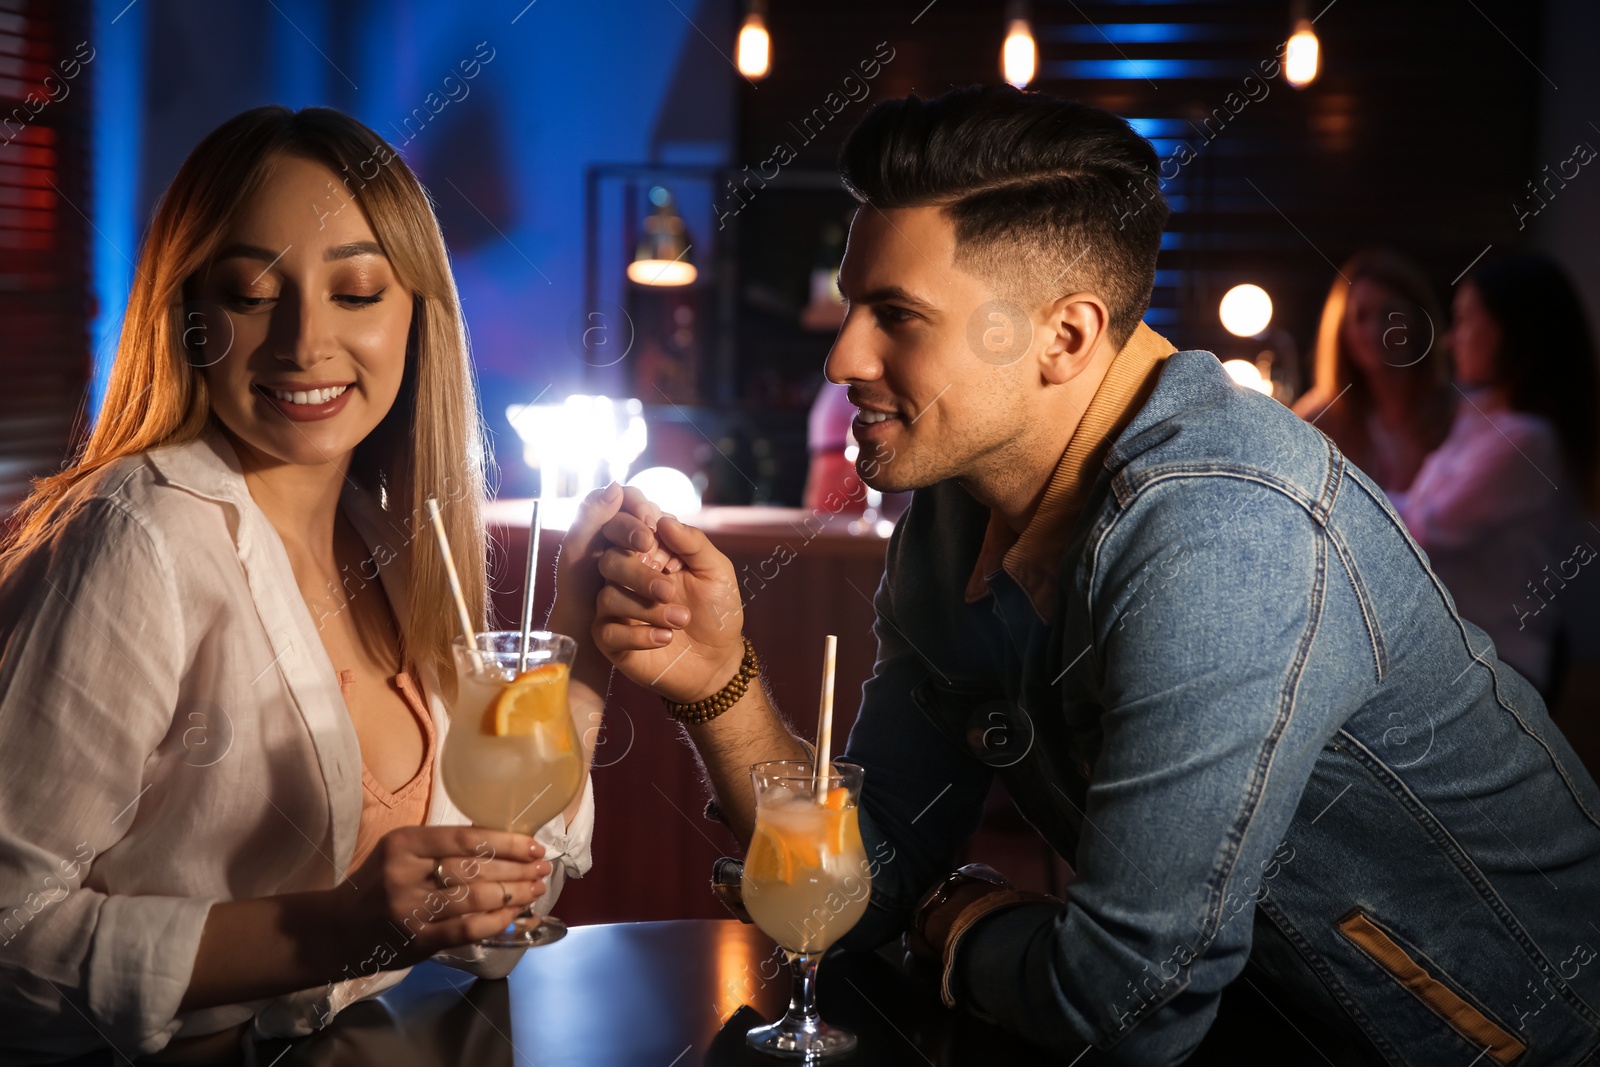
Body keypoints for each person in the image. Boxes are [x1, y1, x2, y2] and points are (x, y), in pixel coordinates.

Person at [590, 86, 1600, 1064]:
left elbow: (1123, 1003)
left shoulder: (1225, 532)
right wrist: (718, 682)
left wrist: (955, 915)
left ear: (1064, 336)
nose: (841, 355)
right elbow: (871, 868)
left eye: (895, 314)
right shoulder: (960, 507)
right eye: (855, 303)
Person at [0, 107, 630, 1064]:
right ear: (189, 315)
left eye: (358, 291)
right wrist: (331, 927)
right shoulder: (138, 535)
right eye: (253, 292)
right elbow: (9, 935)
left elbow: (508, 890)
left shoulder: (391, 546)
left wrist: (581, 633)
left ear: (417, 314)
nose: (304, 340)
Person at [1392, 253, 1599, 700]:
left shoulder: (1528, 441)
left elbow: (1420, 531)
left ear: (1512, 329)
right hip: (1465, 655)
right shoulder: (1480, 421)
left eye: (1465, 320)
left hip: (1498, 669)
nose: (1450, 340)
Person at [1292, 248, 1454, 494]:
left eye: (1390, 314)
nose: (1376, 330)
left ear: (1419, 320)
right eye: (1361, 316)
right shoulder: (1317, 419)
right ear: (1341, 330)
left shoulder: (1458, 412)